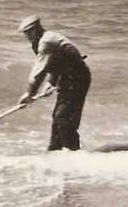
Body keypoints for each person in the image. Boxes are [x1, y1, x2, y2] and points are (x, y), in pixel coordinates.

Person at [17, 15, 91, 151]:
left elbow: (38, 73)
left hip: (78, 78)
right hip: (67, 77)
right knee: (58, 116)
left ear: (35, 29)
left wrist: (29, 94)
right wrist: (51, 82)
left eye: (28, 32)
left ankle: (73, 152)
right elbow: (55, 63)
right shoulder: (39, 43)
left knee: (64, 118)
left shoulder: (46, 41)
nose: (26, 36)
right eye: (25, 33)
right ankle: (54, 150)